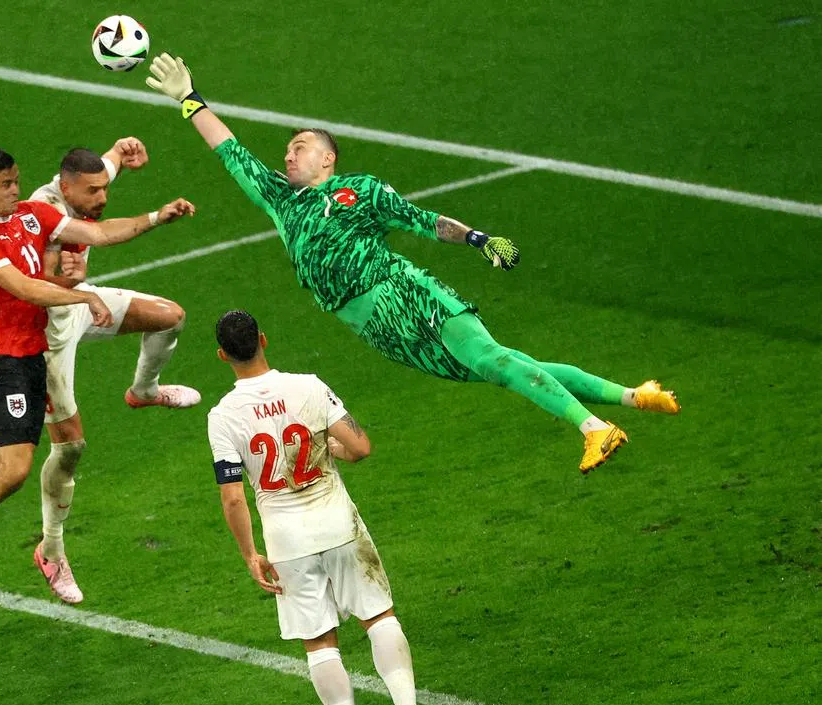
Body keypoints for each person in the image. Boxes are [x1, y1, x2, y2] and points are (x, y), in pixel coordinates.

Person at [146, 54, 680, 474]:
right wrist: (189, 100)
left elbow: (420, 220)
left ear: (327, 159)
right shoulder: (282, 201)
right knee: (497, 367)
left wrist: (478, 239)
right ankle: (636, 396)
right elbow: (231, 150)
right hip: (374, 327)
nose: (288, 155)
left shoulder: (358, 190)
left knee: (492, 360)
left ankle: (593, 427)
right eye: (286, 150)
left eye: (300, 147)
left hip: (404, 293)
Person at [0, 147, 195, 611]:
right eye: (5, 184)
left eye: (17, 180)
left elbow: (97, 231)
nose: (16, 190)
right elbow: (24, 287)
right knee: (15, 469)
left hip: (31, 354)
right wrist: (79, 296)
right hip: (2, 357)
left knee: (9, 471)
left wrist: (157, 215)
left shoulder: (32, 215)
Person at [207, 310, 449, 705]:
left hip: (286, 542)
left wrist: (249, 554)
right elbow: (359, 447)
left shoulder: (222, 416)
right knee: (379, 617)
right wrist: (332, 449)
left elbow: (233, 498)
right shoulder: (309, 386)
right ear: (264, 338)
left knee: (319, 644)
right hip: (337, 523)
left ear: (223, 356)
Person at [28, 137, 201, 604]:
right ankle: (51, 550)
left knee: (171, 317)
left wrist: (124, 149)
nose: (101, 199)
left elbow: (113, 161)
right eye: (92, 193)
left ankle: (144, 390)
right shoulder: (38, 213)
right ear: (65, 187)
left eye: (104, 189)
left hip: (83, 306)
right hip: (45, 336)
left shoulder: (84, 184)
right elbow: (26, 284)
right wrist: (156, 217)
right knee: (71, 448)